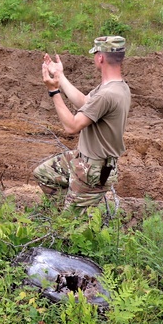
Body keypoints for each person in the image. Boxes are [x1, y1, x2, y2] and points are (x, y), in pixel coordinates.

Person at [34, 35, 131, 210]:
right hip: (86, 161)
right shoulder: (117, 87)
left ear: (100, 57)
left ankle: (74, 219)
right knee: (44, 173)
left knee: (69, 227)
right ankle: (71, 212)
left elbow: (71, 126)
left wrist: (54, 91)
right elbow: (86, 103)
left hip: (95, 170)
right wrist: (60, 76)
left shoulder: (107, 94)